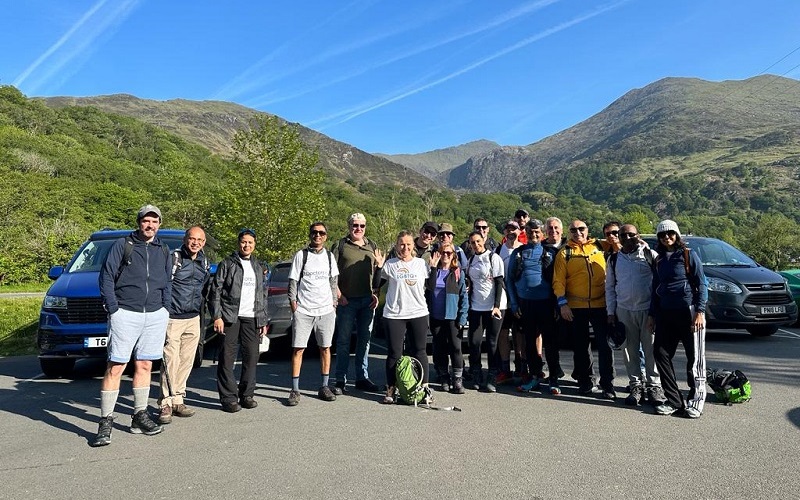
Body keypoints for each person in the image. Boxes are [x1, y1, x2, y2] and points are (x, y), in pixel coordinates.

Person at [91, 204, 171, 447]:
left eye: (154, 221)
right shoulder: (123, 245)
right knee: (116, 366)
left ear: (159, 224)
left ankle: (139, 416)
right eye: (146, 221)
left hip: (155, 314)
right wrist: (113, 308)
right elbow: (106, 276)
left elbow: (167, 281)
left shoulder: (163, 249)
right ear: (139, 222)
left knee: (145, 365)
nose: (150, 225)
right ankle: (106, 421)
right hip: (125, 313)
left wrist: (165, 307)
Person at [649, 220, 708, 418]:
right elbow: (655, 289)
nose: (667, 237)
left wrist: (699, 312)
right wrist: (652, 315)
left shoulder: (688, 255)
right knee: (660, 353)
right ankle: (674, 400)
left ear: (677, 234)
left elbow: (702, 284)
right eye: (663, 235)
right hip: (666, 313)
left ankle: (696, 401)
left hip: (689, 312)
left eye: (671, 233)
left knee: (695, 359)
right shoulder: (659, 260)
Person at [552, 220, 615, 399]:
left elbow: (622, 252)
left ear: (588, 230)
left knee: (605, 346)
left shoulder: (600, 246)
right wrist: (562, 303)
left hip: (601, 304)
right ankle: (587, 381)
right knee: (581, 347)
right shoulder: (565, 252)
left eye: (581, 229)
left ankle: (607, 383)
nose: (578, 232)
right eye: (573, 230)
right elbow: (558, 280)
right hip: (576, 306)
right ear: (569, 232)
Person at [605, 224, 665, 406]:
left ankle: (654, 386)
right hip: (624, 310)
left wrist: (657, 312)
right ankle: (635, 386)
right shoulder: (614, 259)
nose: (627, 238)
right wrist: (610, 312)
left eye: (631, 234)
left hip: (647, 311)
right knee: (629, 352)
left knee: (651, 350)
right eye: (623, 235)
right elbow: (609, 287)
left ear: (638, 236)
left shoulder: (649, 255)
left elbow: (660, 284)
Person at [210, 228, 268, 413]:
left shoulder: (258, 266)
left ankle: (247, 395)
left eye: (250, 242)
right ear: (238, 243)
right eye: (244, 241)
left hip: (252, 317)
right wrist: (217, 316)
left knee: (252, 357)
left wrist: (263, 320)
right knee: (227, 358)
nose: (247, 245)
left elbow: (262, 294)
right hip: (230, 316)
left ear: (254, 245)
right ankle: (228, 398)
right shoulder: (227, 263)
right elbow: (216, 290)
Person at [158, 226, 211, 425]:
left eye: (199, 240)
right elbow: (163, 285)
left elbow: (205, 287)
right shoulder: (174, 258)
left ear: (204, 243)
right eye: (192, 238)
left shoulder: (204, 262)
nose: (195, 242)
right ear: (185, 239)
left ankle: (178, 399)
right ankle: (165, 403)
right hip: (173, 317)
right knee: (170, 360)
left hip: (193, 318)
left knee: (187, 361)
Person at [286, 222, 340, 406]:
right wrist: (294, 306)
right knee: (298, 349)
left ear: (326, 236)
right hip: (304, 310)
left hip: (325, 310)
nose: (318, 235)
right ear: (310, 235)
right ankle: (295, 390)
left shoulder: (330, 257)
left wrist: (333, 305)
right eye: (314, 232)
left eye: (321, 233)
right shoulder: (302, 256)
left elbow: (334, 281)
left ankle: (324, 386)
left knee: (325, 348)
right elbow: (293, 281)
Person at [373, 231, 428, 404]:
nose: (405, 247)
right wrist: (379, 267)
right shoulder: (390, 264)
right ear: (397, 246)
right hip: (394, 314)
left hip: (418, 312)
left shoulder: (421, 264)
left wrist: (434, 269)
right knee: (394, 354)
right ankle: (391, 389)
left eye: (408, 244)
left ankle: (423, 388)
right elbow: (376, 285)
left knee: (420, 352)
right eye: (402, 244)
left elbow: (431, 286)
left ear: (413, 246)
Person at [507, 219, 562, 395]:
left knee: (551, 343)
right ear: (526, 233)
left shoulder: (551, 252)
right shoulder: (518, 253)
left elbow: (558, 280)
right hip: (525, 304)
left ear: (542, 233)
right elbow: (509, 280)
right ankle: (535, 376)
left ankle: (553, 379)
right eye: (531, 232)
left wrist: (556, 305)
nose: (534, 235)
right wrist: (514, 304)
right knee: (529, 343)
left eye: (537, 232)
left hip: (546, 303)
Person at [330, 213, 381, 394]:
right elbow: (332, 272)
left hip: (367, 301)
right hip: (346, 301)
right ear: (349, 225)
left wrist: (376, 294)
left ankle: (362, 377)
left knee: (364, 341)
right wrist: (338, 294)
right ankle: (340, 380)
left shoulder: (372, 246)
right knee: (343, 341)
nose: (358, 229)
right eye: (355, 225)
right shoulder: (340, 245)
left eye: (362, 226)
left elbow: (378, 273)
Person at [465, 230, 506, 392]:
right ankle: (476, 373)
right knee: (474, 342)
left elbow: (499, 282)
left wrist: (496, 305)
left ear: (484, 240)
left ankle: (492, 376)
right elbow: (470, 280)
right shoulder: (471, 260)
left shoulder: (493, 258)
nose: (476, 244)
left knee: (491, 342)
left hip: (495, 307)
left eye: (478, 241)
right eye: (472, 242)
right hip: (476, 306)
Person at [426, 241, 469, 394]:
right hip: (436, 317)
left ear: (453, 256)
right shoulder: (433, 271)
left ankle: (457, 380)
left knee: (456, 348)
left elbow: (464, 297)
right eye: (443, 252)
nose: (445, 255)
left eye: (449, 253)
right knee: (439, 348)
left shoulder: (458, 273)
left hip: (452, 317)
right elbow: (429, 288)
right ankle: (443, 377)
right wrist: (432, 267)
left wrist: (462, 317)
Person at [495, 220, 524, 384]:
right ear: (504, 232)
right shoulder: (498, 250)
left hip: (520, 298)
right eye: (508, 229)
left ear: (520, 231)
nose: (511, 232)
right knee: (503, 334)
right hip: (504, 298)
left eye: (514, 229)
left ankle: (521, 366)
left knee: (520, 334)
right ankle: (505, 369)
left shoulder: (523, 249)